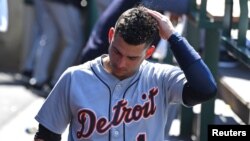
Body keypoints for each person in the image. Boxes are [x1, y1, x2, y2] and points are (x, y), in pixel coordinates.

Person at [34, 6, 217, 141]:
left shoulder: (161, 78)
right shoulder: (74, 78)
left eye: (132, 58)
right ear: (111, 36)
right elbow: (46, 134)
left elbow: (205, 89)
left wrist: (173, 37)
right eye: (117, 52)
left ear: (149, 53)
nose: (121, 63)